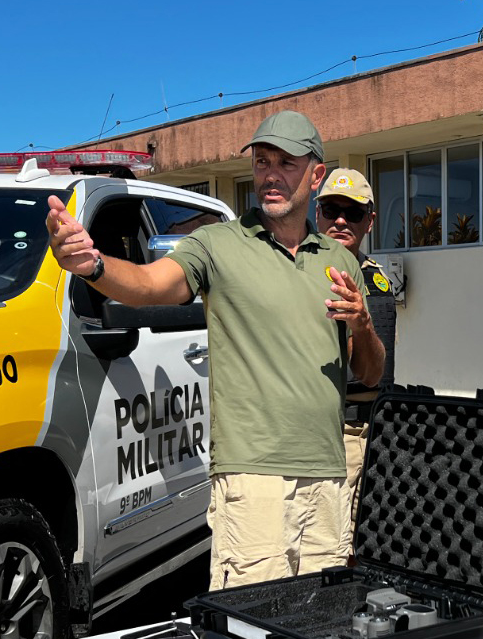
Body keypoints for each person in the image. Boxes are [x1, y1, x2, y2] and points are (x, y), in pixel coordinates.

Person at [45, 110, 384, 589]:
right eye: (263, 161)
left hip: (328, 477)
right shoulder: (217, 245)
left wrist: (363, 323)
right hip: (254, 479)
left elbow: (370, 373)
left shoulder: (337, 260)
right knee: (253, 635)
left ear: (315, 175)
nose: (271, 174)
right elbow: (149, 284)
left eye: (287, 163)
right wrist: (93, 265)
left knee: (319, 626)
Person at [315, 168, 398, 550]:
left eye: (354, 212)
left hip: (373, 431)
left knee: (366, 545)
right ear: (318, 215)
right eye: (331, 209)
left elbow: (375, 369)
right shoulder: (298, 272)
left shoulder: (374, 278)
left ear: (370, 221)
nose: (341, 220)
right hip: (326, 434)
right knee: (327, 545)